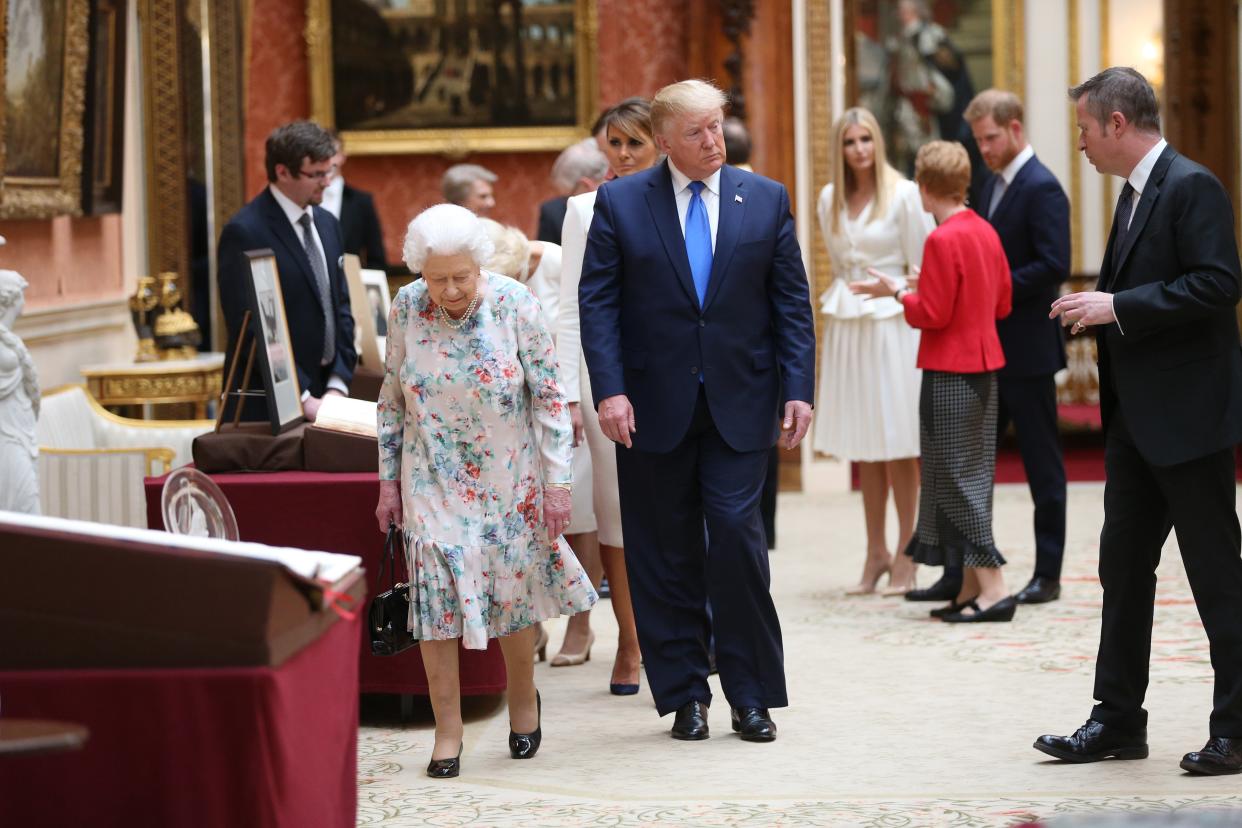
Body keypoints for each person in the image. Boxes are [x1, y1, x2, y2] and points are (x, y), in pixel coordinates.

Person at [579, 80, 816, 742]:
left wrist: (799, 387)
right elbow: (597, 304)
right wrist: (609, 388)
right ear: (663, 142)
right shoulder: (622, 203)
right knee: (664, 550)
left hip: (743, 400)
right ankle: (684, 693)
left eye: (717, 127)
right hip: (650, 405)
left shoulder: (764, 198)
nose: (713, 140)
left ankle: (750, 693)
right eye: (696, 132)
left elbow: (791, 303)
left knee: (738, 540)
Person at [1037, 67, 1242, 776]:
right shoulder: (1133, 194)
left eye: (1087, 131)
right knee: (1123, 571)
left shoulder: (1192, 185)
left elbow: (1219, 283)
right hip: (1135, 421)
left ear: (1118, 125)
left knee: (1217, 575)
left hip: (1189, 419)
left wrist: (1116, 306)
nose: (1084, 145)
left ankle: (1237, 730)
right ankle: (1118, 720)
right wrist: (1099, 307)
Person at [375, 204, 597, 779]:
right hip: (431, 477)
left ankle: (522, 696)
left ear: (480, 264)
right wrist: (387, 484)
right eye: (436, 277)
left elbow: (549, 401)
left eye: (460, 276)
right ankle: (447, 729)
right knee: (436, 604)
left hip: (509, 476)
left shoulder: (513, 303)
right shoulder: (405, 307)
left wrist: (556, 485)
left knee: (512, 595)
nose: (448, 289)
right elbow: (392, 403)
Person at [852, 140, 1014, 623]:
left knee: (956, 479)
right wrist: (930, 285)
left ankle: (994, 588)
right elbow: (1001, 303)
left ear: (924, 188)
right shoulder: (984, 230)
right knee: (970, 477)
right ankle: (968, 587)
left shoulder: (942, 239)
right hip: (986, 368)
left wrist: (901, 289)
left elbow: (932, 315)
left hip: (950, 372)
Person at [555, 98, 655, 693]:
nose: (619, 155)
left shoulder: (685, 200)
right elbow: (570, 308)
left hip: (671, 376)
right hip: (603, 380)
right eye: (612, 144)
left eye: (633, 143)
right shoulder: (583, 210)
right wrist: (569, 393)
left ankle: (680, 635)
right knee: (615, 518)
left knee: (675, 512)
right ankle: (630, 642)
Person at [813, 106, 933, 595]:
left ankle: (909, 551)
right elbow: (838, 264)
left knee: (898, 444)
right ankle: (875, 551)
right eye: (849, 142)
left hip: (892, 329)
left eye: (865, 140)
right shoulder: (829, 199)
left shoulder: (903, 194)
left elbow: (927, 267)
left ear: (877, 143)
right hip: (849, 327)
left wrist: (891, 291)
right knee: (866, 446)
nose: (858, 149)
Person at [960, 89, 1069, 607]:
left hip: (1027, 348)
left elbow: (1053, 265)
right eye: (979, 140)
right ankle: (966, 571)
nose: (983, 148)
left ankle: (1048, 573)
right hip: (987, 347)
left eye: (991, 137)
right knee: (971, 463)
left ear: (1016, 129)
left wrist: (992, 286)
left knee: (1041, 466)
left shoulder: (1042, 186)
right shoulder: (989, 185)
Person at [480, 217, 599, 664]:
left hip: (570, 403)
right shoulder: (489, 268)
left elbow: (583, 331)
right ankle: (529, 624)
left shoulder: (555, 263)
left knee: (580, 515)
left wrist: (569, 400)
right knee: (525, 522)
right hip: (514, 410)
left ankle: (581, 625)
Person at [218, 120, 357, 422]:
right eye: (316, 174)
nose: (327, 182)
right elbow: (253, 328)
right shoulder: (245, 231)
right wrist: (303, 396)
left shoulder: (327, 223)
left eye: (329, 170)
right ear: (282, 172)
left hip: (328, 396)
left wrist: (337, 385)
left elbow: (341, 307)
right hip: (270, 410)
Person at [0, 265, 39, 515]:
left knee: (28, 503)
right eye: (21, 293)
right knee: (23, 503)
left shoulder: (9, 340)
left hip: (21, 428)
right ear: (12, 298)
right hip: (6, 435)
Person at [322, 134, 387, 268]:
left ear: (342, 157)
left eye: (331, 153)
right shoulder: (303, 200)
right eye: (320, 154)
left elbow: (377, 258)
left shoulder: (361, 202)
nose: (327, 161)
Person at [537, 138, 610, 245]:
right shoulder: (552, 212)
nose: (564, 202)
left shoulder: (623, 208)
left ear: (586, 185)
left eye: (568, 196)